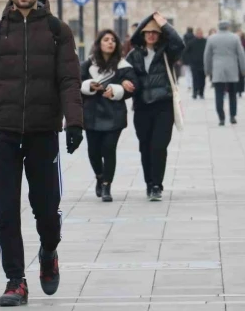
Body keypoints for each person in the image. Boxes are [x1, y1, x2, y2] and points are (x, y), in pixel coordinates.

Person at [0, 0, 84, 307]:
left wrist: (74, 123)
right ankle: (15, 280)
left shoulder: (56, 30)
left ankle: (49, 252)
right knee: (6, 210)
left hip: (42, 132)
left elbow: (69, 79)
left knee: (46, 209)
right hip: (3, 133)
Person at [126, 13, 184, 201]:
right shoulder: (133, 55)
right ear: (142, 34)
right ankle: (149, 183)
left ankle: (157, 185)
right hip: (142, 106)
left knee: (159, 146)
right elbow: (125, 75)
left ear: (159, 35)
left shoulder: (167, 52)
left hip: (163, 106)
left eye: (154, 32)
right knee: (145, 147)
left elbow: (179, 42)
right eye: (147, 32)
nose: (151, 35)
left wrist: (163, 23)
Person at [81, 30, 137, 202]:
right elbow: (75, 83)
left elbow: (133, 86)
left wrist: (120, 88)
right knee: (93, 151)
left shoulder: (123, 65)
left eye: (113, 40)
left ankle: (106, 185)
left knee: (109, 149)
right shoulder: (88, 64)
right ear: (99, 43)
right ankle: (99, 175)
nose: (110, 43)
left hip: (114, 113)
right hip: (91, 112)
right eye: (106, 40)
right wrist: (89, 85)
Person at [204, 20, 245, 125]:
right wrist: (243, 69)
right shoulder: (235, 38)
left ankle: (221, 117)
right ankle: (232, 116)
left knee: (218, 94)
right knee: (232, 94)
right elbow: (241, 54)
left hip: (218, 69)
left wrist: (207, 70)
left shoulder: (211, 38)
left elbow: (207, 56)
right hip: (232, 68)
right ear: (228, 27)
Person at [183, 27, 207, 99]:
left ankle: (201, 93)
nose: (200, 35)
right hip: (194, 64)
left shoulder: (205, 41)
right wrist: (188, 60)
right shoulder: (192, 42)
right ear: (196, 34)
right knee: (195, 79)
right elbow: (185, 52)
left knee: (202, 79)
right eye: (198, 33)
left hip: (203, 63)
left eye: (201, 33)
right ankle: (195, 92)